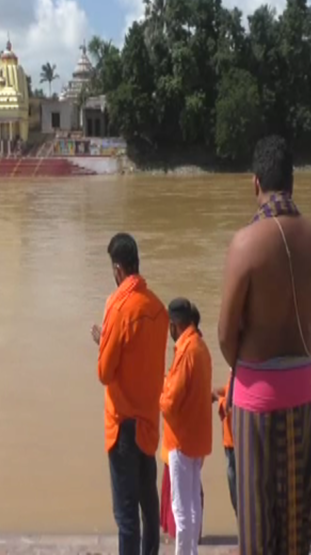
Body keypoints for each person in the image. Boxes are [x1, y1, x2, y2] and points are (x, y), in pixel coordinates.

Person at [217, 135, 311, 555]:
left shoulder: (245, 243)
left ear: (255, 182)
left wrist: (248, 369)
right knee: (296, 525)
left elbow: (227, 335)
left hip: (256, 402)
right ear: (293, 183)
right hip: (302, 395)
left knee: (257, 527)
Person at [93, 233, 169, 555]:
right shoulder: (158, 308)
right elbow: (143, 358)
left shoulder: (118, 307)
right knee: (147, 503)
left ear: (118, 269)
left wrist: (103, 342)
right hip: (148, 420)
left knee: (125, 513)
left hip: (123, 422)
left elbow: (105, 372)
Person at [160, 299, 212, 555]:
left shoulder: (186, 351)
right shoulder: (201, 347)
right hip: (197, 437)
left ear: (175, 325)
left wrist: (160, 391)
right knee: (192, 506)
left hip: (180, 439)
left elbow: (170, 402)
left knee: (181, 508)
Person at [212, 373, 237, 516]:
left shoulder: (239, 367)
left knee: (238, 496)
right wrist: (219, 391)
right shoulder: (235, 368)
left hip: (235, 445)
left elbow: (230, 406)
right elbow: (230, 390)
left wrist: (216, 397)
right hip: (230, 441)